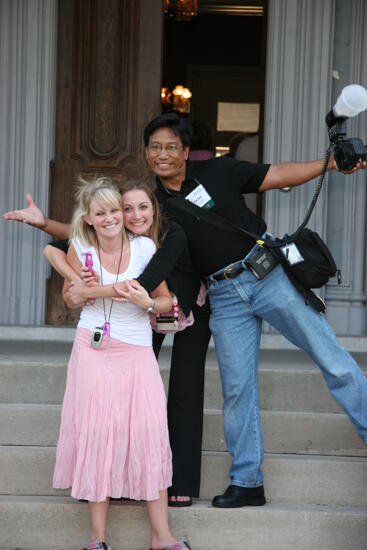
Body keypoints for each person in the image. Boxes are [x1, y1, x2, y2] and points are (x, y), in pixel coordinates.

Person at [141, 112, 367, 508]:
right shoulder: (152, 207)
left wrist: (330, 163)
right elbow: (103, 226)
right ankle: (247, 482)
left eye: (171, 147)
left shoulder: (218, 171)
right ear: (146, 154)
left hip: (268, 277)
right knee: (237, 390)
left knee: (333, 360)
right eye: (155, 147)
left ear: (185, 151)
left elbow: (277, 174)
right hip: (224, 297)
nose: (163, 154)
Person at [3, 183, 211, 508]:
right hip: (115, 325)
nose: (133, 215)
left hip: (177, 304)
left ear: (155, 210)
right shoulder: (107, 238)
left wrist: (88, 292)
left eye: (142, 207)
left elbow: (143, 290)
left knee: (151, 410)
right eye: (126, 209)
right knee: (110, 416)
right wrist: (74, 277)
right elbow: (57, 249)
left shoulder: (165, 239)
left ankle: (155, 487)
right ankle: (111, 482)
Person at [53, 176, 190, 550]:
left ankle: (161, 536)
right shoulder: (81, 247)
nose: (112, 217)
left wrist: (147, 304)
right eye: (103, 212)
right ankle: (98, 539)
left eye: (116, 210)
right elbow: (70, 299)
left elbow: (164, 301)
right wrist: (76, 289)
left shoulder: (145, 248)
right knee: (98, 434)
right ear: (89, 219)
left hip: (136, 349)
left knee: (149, 433)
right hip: (92, 349)